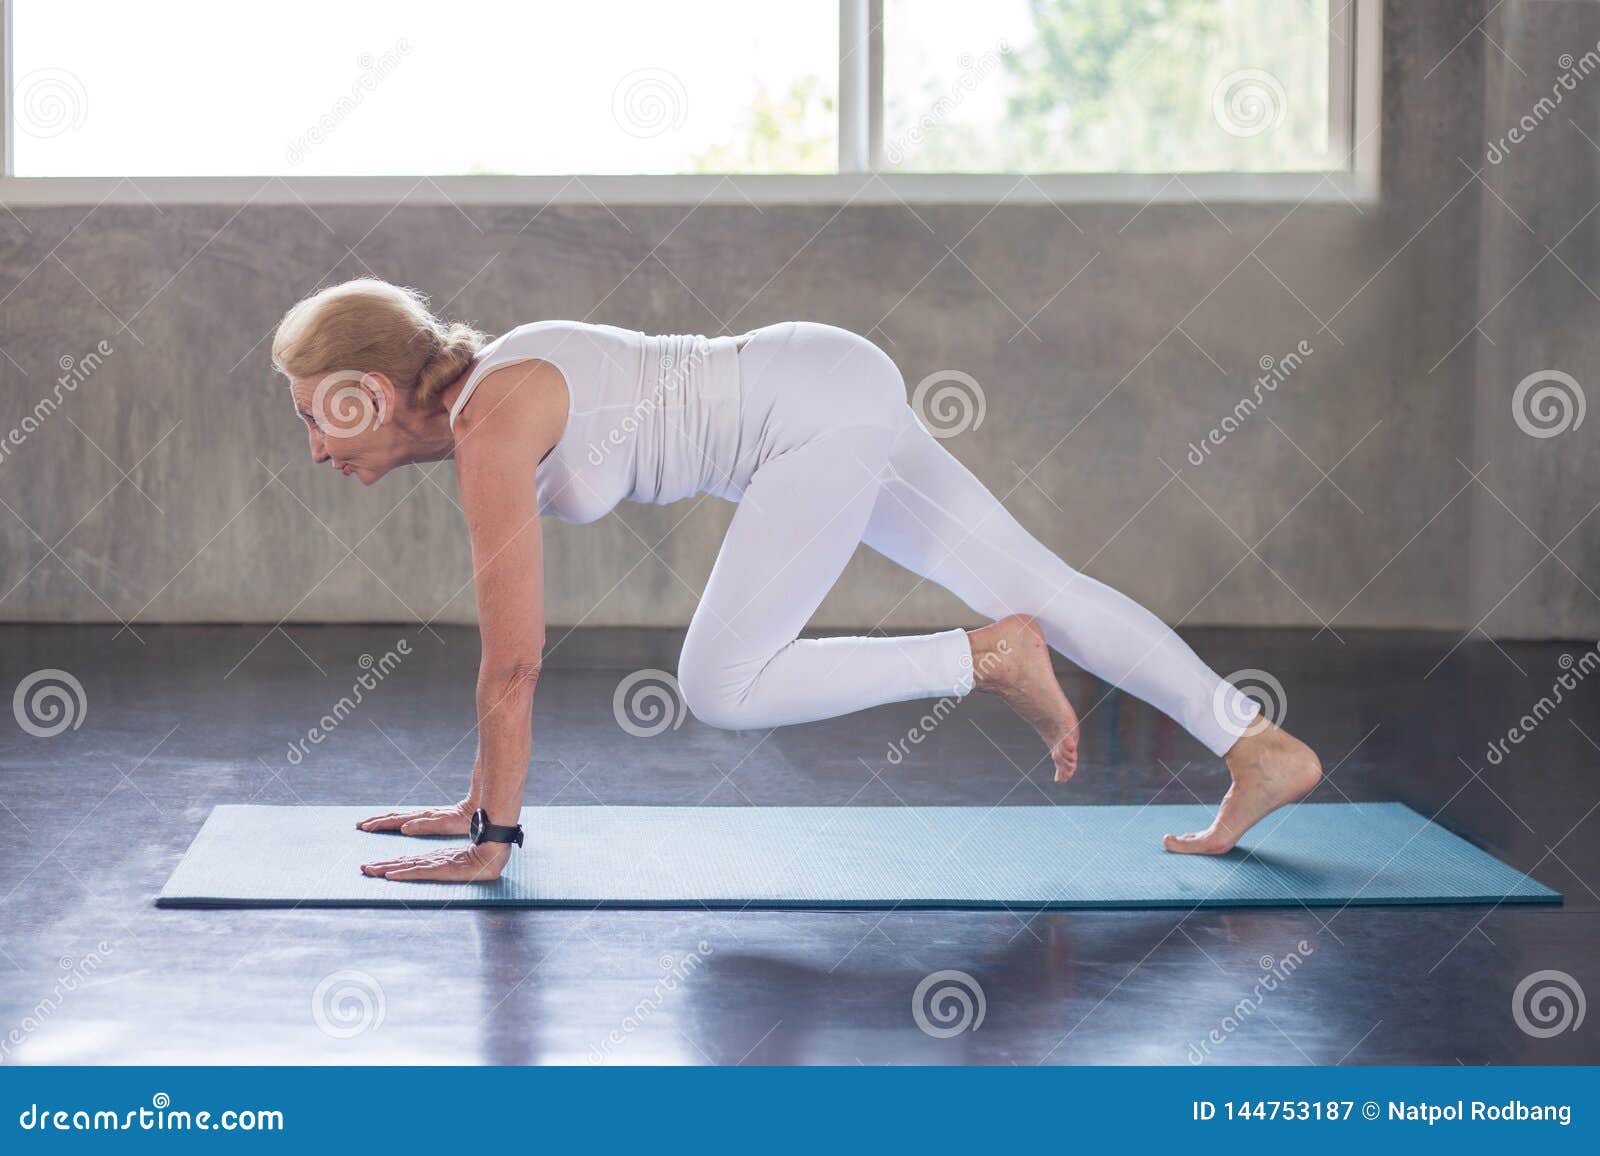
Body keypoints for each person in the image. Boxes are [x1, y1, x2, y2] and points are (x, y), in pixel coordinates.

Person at [270, 279, 1321, 883]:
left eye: (317, 414)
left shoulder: (489, 422)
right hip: (824, 380)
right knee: (1035, 578)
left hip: (807, 414)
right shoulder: (493, 392)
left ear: (369, 395)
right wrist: (475, 805)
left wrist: (492, 839)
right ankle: (1256, 744)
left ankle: (983, 656)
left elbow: (512, 663)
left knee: (722, 682)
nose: (316, 450)